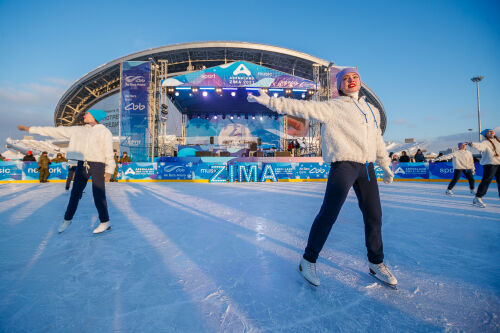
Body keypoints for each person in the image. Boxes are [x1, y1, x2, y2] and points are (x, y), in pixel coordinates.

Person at [248, 67, 397, 288]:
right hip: (344, 164)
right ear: (339, 86)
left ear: (360, 81)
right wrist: (271, 101)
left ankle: (376, 262)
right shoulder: (333, 107)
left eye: (354, 77)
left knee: (374, 216)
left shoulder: (372, 110)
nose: (351, 80)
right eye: (345, 78)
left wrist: (384, 164)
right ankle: (308, 260)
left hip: (367, 167)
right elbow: (302, 107)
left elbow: (376, 139)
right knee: (329, 214)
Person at [17, 109, 115, 234]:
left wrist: (109, 170)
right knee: (75, 193)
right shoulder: (79, 130)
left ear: (94, 116)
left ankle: (105, 222)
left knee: (98, 194)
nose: (84, 115)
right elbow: (56, 131)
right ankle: (67, 219)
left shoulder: (104, 132)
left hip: (98, 164)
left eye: (87, 114)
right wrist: (30, 129)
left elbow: (108, 151)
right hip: (82, 163)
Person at [469, 128, 500, 208]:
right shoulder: (485, 142)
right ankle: (478, 197)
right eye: (489, 132)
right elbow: (480, 146)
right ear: (486, 134)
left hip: (499, 163)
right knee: (486, 181)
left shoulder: (498, 142)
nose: (491, 132)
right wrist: (473, 144)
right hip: (490, 164)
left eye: (492, 131)